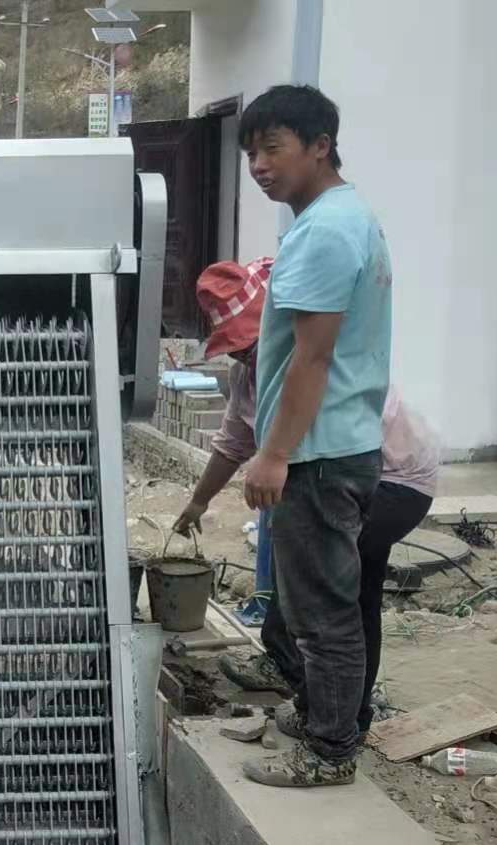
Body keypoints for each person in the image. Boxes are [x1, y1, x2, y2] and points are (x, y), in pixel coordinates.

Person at [173, 258, 438, 745]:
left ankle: (319, 712)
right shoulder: (251, 375)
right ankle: (344, 714)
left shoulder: (311, 361)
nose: (243, 354)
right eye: (234, 347)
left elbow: (315, 448)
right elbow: (233, 443)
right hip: (355, 480)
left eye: (247, 342)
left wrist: (273, 461)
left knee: (319, 587)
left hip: (393, 480)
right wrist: (198, 503)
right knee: (352, 593)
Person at [226, 84, 392, 788]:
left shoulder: (325, 231)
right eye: (251, 153)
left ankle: (329, 753)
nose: (259, 166)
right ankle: (327, 719)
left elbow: (311, 358)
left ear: (320, 146)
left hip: (318, 452)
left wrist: (273, 454)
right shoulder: (342, 217)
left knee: (322, 616)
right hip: (332, 443)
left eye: (273, 148)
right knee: (319, 606)